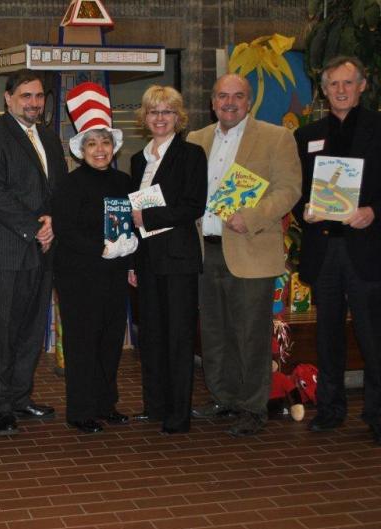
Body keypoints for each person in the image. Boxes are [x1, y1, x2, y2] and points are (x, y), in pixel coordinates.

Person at [187, 73, 301, 437]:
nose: (230, 102)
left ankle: (253, 407)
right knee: (215, 331)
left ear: (248, 101)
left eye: (238, 96)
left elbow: (289, 189)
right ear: (212, 101)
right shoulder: (196, 139)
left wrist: (250, 217)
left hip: (250, 248)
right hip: (206, 251)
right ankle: (223, 397)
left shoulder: (275, 137)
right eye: (222, 96)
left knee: (251, 334)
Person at [0, 68, 68, 435]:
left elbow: (59, 188)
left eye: (39, 96)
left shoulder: (48, 136)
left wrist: (53, 222)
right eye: (26, 96)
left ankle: (20, 396)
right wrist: (35, 228)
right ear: (8, 98)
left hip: (43, 251)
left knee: (30, 329)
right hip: (5, 252)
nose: (34, 102)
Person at [293, 56, 381, 445]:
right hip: (324, 249)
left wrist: (374, 211)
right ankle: (330, 409)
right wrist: (305, 213)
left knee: (372, 335)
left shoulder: (380, 128)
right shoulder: (307, 134)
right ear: (324, 90)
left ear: (362, 86)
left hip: (367, 249)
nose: (341, 90)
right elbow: (297, 190)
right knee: (327, 333)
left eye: (348, 83)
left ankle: (377, 414)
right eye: (333, 84)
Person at [52, 82, 135, 434]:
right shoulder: (70, 185)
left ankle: (106, 403)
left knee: (110, 342)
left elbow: (136, 225)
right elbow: (65, 230)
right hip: (79, 279)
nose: (99, 150)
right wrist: (99, 247)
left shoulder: (125, 181)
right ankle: (81, 410)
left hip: (115, 277)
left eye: (104, 142)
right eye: (91, 143)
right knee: (82, 344)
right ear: (81, 149)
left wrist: (132, 251)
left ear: (113, 146)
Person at [129, 85, 208, 434]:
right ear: (144, 118)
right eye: (153, 112)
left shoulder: (191, 155)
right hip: (146, 261)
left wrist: (151, 219)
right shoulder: (136, 159)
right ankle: (156, 406)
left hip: (178, 260)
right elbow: (131, 214)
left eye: (167, 112)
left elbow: (194, 205)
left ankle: (179, 413)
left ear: (178, 118)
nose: (160, 118)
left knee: (178, 338)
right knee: (152, 337)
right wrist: (131, 261)